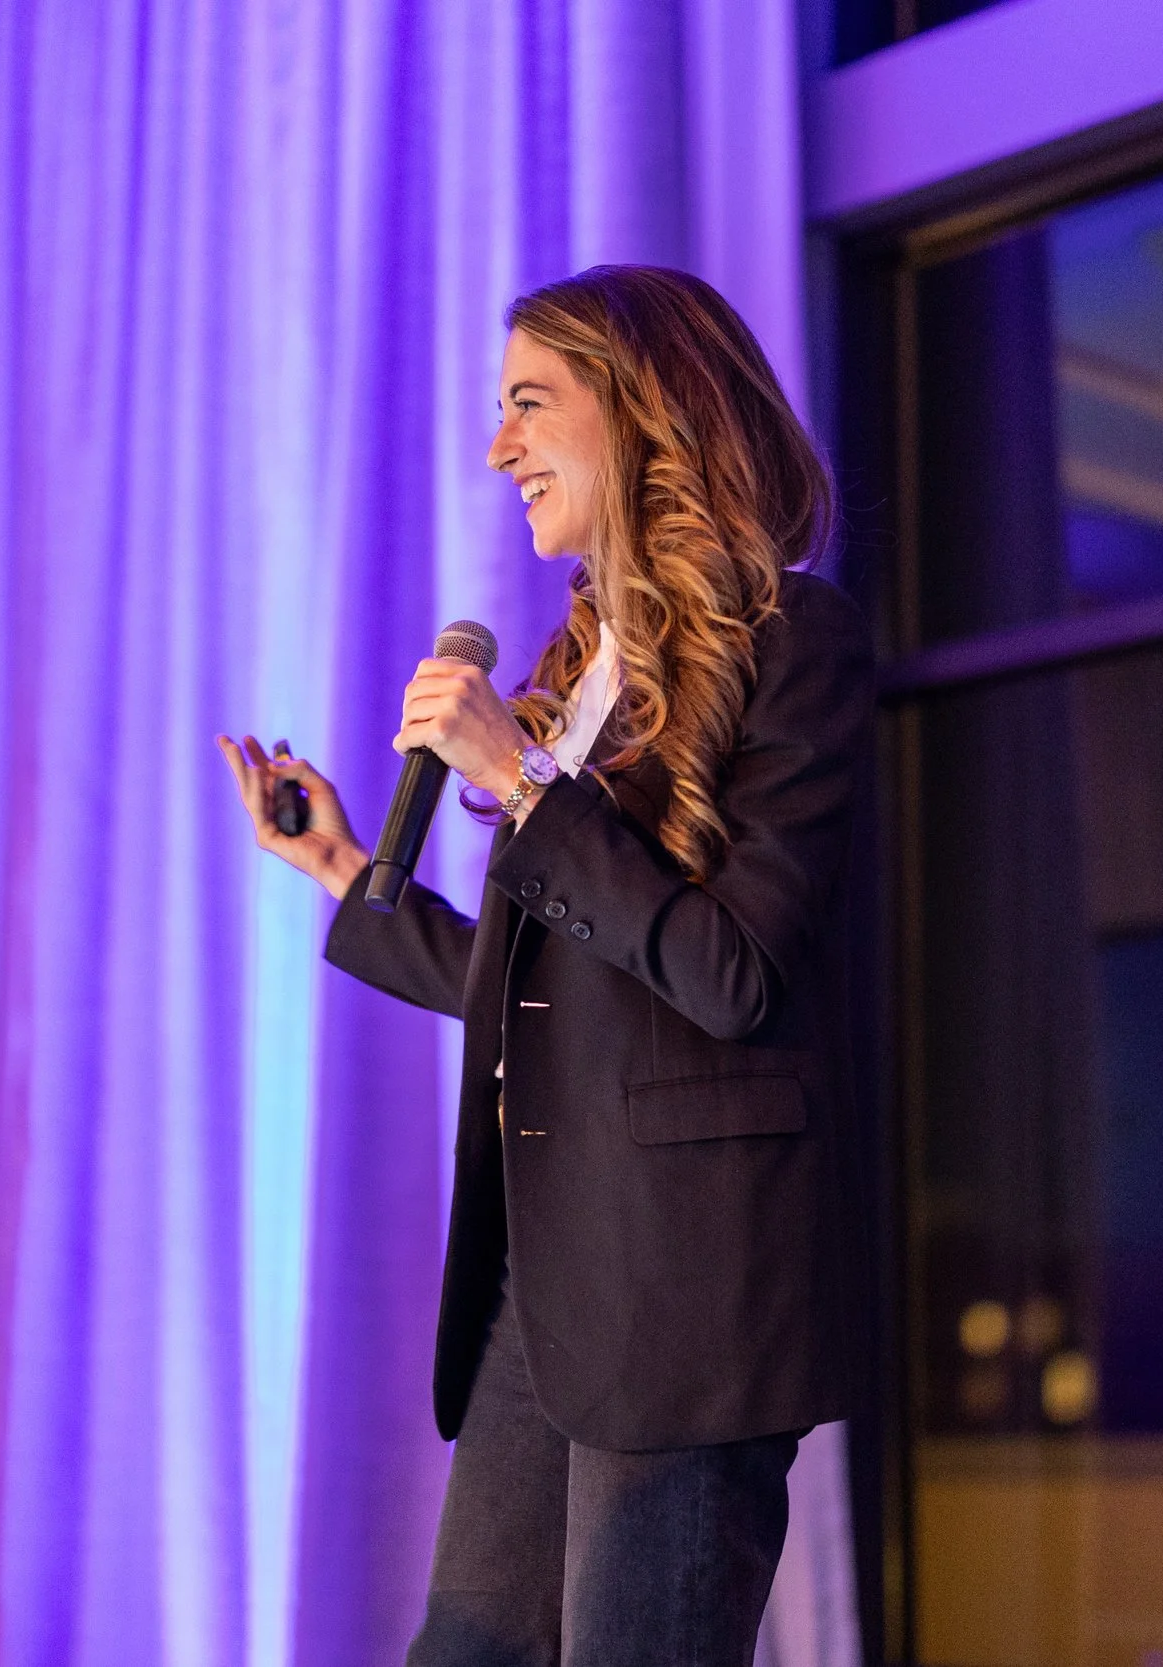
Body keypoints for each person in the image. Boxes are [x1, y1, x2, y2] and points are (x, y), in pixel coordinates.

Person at [217, 265, 870, 1667]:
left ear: (643, 412)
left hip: (689, 1290)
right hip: (550, 1275)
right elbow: (561, 1007)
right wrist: (342, 864)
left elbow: (731, 973)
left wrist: (522, 781)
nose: (498, 447)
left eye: (528, 405)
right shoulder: (585, 673)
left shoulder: (793, 645)